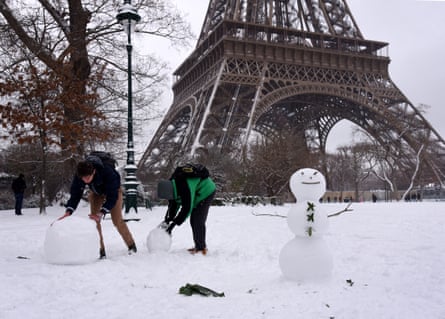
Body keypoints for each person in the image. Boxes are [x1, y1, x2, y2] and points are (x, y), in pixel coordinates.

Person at [58, 155, 137, 259]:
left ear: (94, 171)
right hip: (96, 193)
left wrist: (103, 211)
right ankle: (100, 250)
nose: (85, 181)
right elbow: (76, 193)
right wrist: (69, 210)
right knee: (94, 221)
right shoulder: (80, 175)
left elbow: (112, 197)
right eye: (83, 179)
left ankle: (131, 245)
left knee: (117, 220)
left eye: (87, 178)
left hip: (113, 192)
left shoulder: (108, 173)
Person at [157, 165, 216, 255]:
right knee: (194, 219)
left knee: (197, 220)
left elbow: (187, 208)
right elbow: (173, 204)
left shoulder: (185, 187)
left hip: (206, 192)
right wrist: (168, 219)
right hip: (196, 191)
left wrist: (173, 224)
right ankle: (198, 246)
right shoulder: (171, 185)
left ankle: (201, 248)